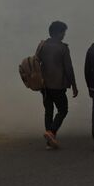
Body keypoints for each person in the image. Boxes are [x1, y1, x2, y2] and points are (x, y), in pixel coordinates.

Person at [35, 21, 78, 149]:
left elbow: (36, 63)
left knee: (48, 111)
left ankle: (49, 142)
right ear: (58, 33)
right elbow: (69, 69)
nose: (64, 35)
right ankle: (51, 132)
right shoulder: (63, 48)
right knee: (63, 110)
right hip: (58, 86)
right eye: (63, 32)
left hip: (44, 86)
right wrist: (74, 86)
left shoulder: (42, 45)